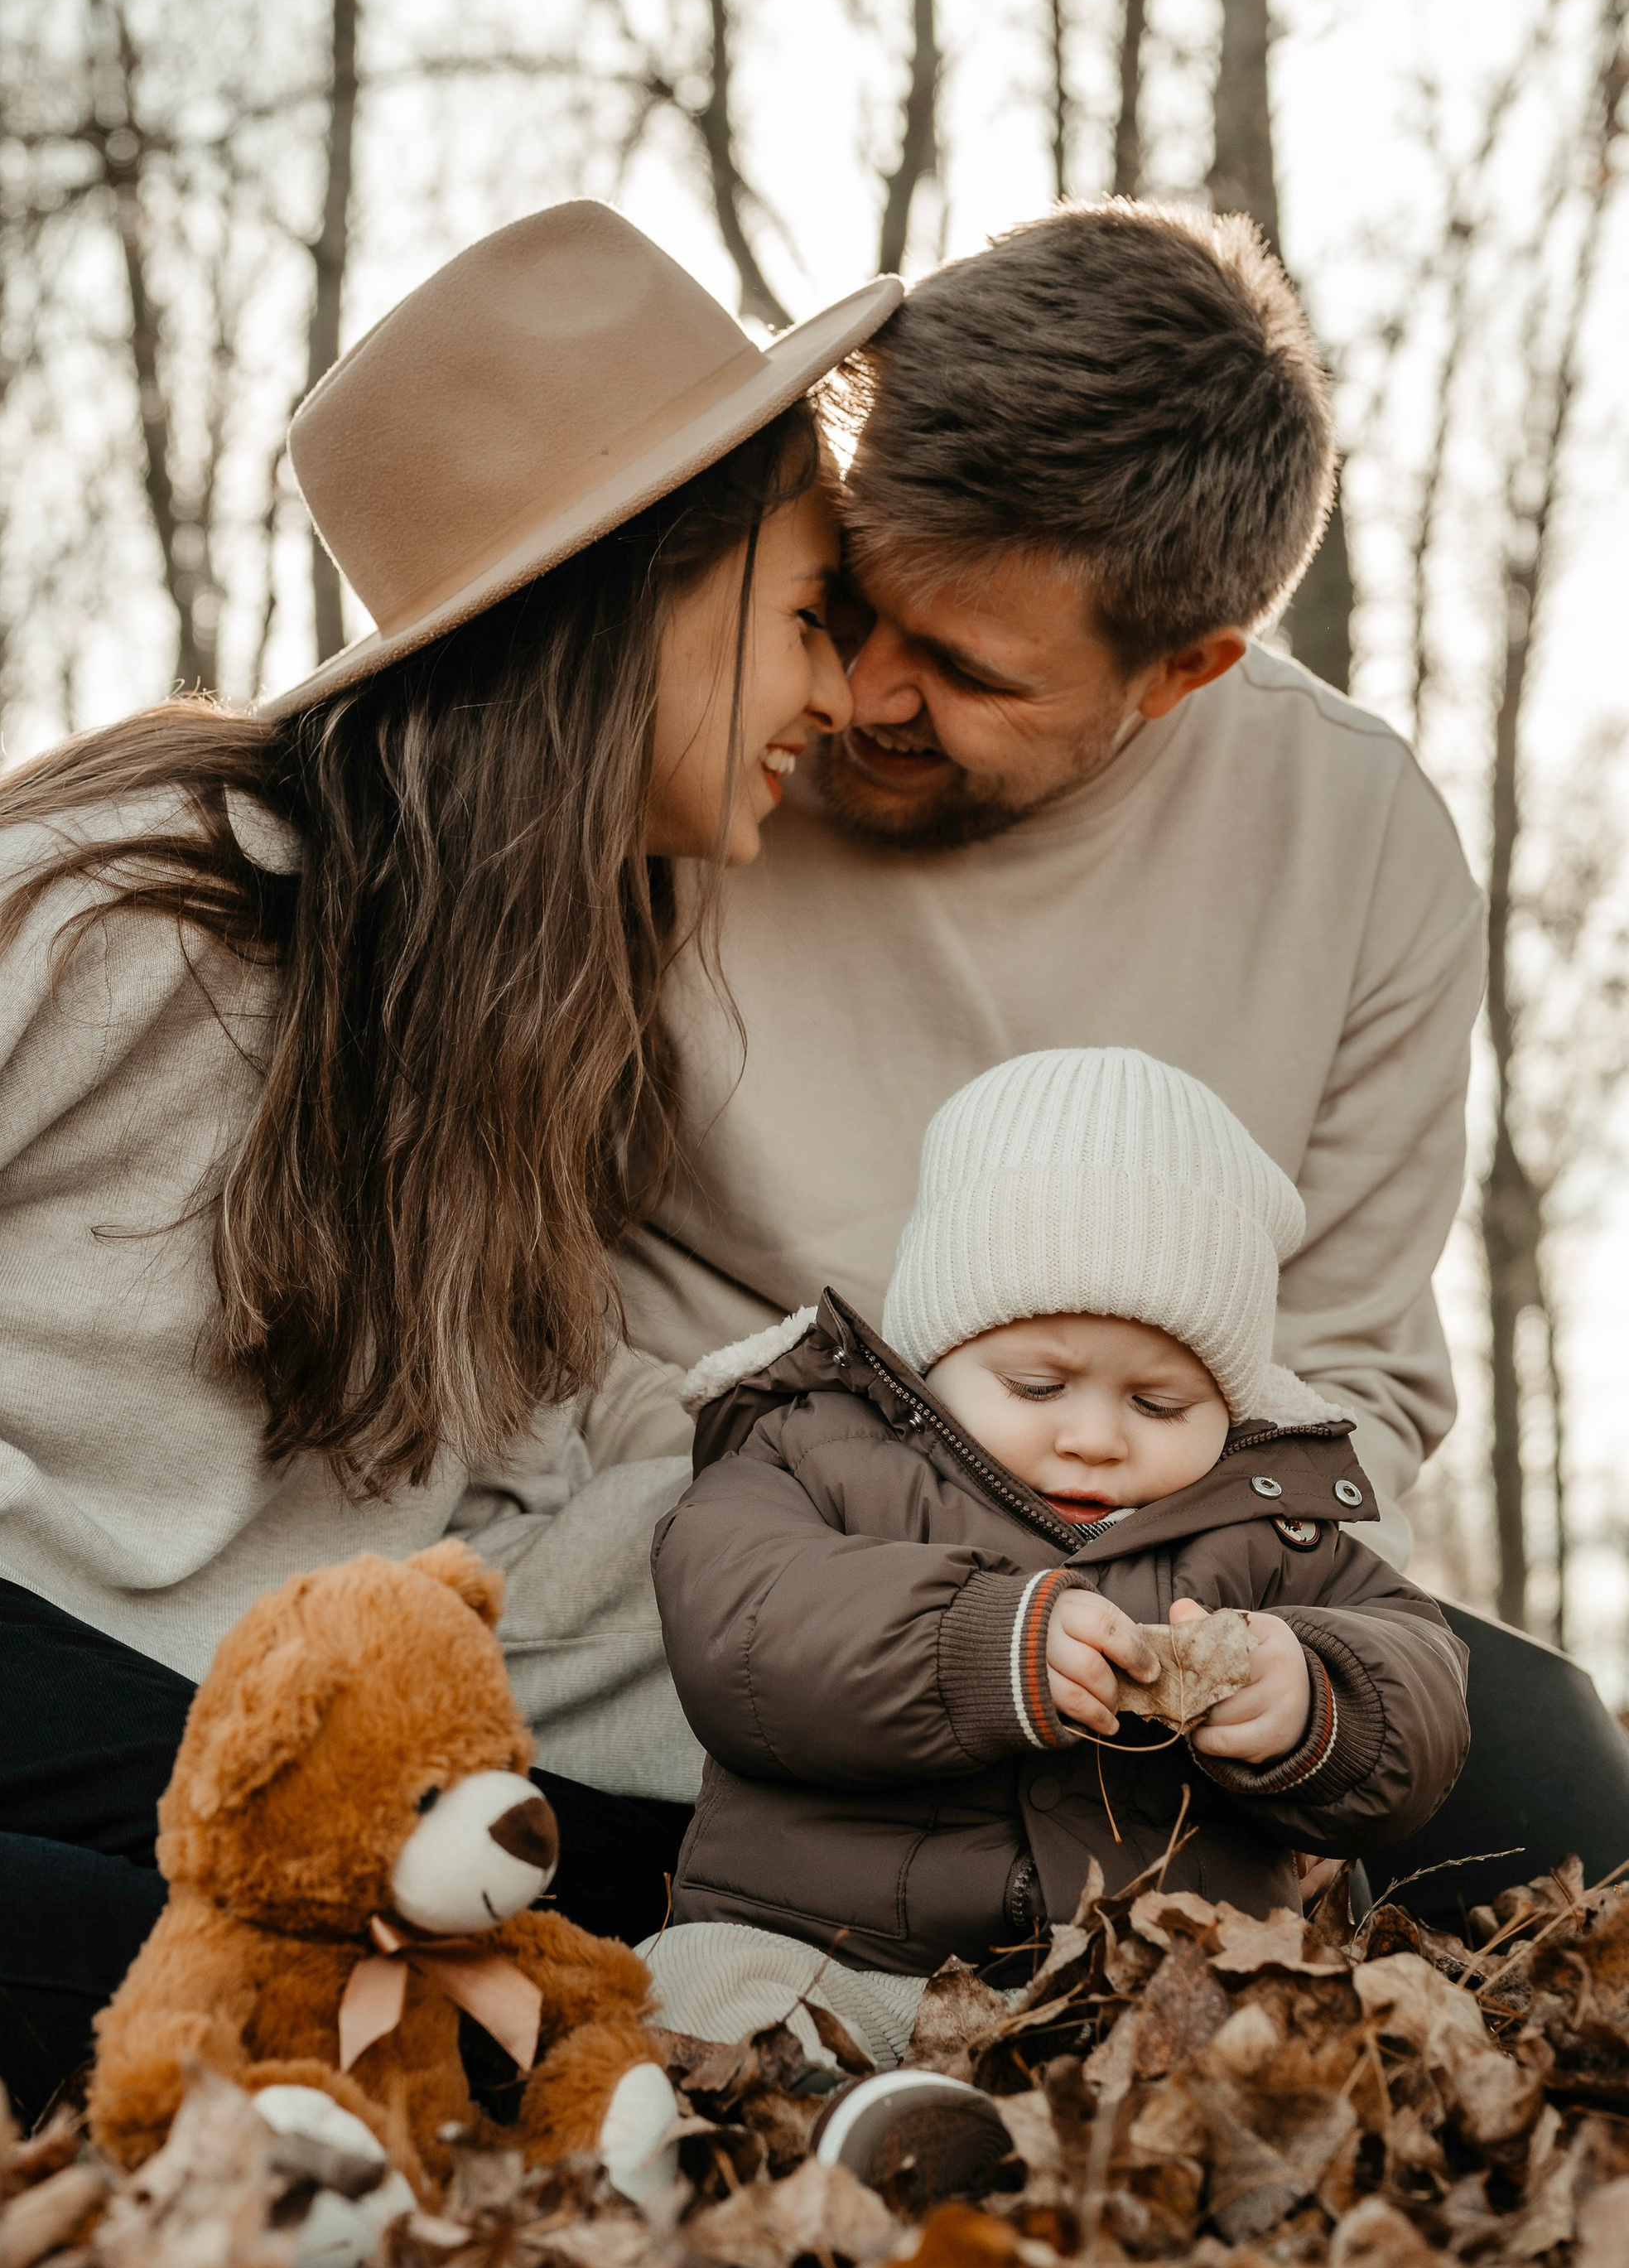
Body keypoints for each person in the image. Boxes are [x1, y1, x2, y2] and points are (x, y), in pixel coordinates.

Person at [0, 200, 902, 2104]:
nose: (834, 699)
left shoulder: (503, 1020)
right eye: (808, 611)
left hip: (116, 1689)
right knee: (279, 1952)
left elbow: (519, 1532)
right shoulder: (123, 907)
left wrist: (906, 1527)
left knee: (579, 1875)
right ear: (634, 590)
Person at [619, 204, 1485, 1566]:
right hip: (691, 1534)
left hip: (1153, 1583)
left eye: (967, 672)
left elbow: (1348, 1381)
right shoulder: (692, 730)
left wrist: (1146, 1613)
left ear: (1181, 673)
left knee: (1558, 1766)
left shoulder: (1360, 840)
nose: (856, 693)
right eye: (848, 602)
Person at [643, 1047, 1469, 2202]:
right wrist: (984, 1644)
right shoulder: (813, 1451)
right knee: (695, 1991)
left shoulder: (1270, 1527)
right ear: (941, 1353)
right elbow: (742, 1622)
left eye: (1158, 1402)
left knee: (1281, 2056)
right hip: (844, 1953)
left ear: (1228, 1408)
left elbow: (1422, 1678)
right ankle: (839, 2126)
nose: (1094, 1436)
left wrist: (1316, 1699)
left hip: (1145, 1999)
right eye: (1040, 1386)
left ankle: (1136, 2171)